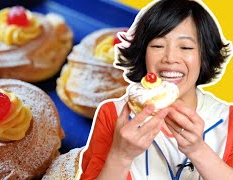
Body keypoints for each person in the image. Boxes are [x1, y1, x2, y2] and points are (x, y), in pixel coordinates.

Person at [79, 0, 233, 179]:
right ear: (143, 53)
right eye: (158, 46)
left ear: (205, 56)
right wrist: (120, 156)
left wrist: (198, 150)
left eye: (186, 47)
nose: (170, 58)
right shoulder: (113, 114)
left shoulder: (228, 120)